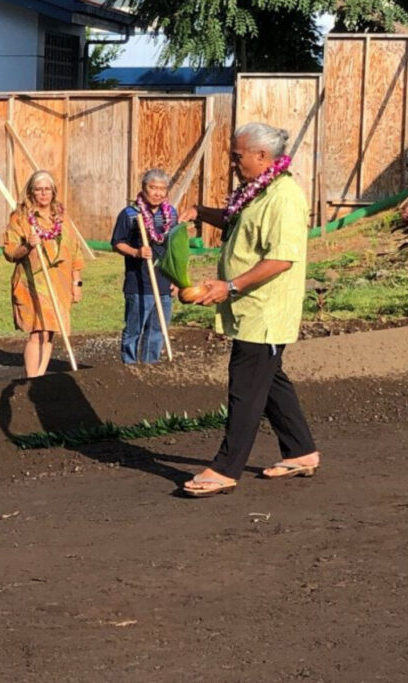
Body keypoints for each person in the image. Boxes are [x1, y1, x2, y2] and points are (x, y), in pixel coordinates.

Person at [177, 122, 320, 497]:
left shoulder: (284, 197)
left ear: (262, 156)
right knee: (269, 381)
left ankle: (226, 468)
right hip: (249, 308)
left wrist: (230, 285)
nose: (234, 163)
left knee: (245, 388)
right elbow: (235, 221)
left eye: (238, 156)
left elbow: (282, 259)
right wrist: (199, 211)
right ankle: (301, 451)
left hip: (266, 311)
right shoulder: (258, 192)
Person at [3, 169, 84, 377]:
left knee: (50, 332)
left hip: (60, 283)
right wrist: (28, 246)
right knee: (38, 330)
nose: (43, 194)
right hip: (33, 282)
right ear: (31, 192)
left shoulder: (62, 217)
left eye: (47, 189)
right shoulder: (20, 218)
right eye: (38, 190)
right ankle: (32, 378)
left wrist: (77, 283)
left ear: (53, 192)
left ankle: (40, 376)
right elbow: (10, 251)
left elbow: (75, 251)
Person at [110, 169, 177, 364]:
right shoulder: (131, 214)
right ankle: (129, 368)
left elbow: (175, 248)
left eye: (162, 189)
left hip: (164, 282)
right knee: (134, 329)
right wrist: (136, 252)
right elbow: (116, 243)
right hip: (138, 284)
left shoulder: (170, 214)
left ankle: (150, 368)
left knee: (157, 330)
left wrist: (176, 279)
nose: (157, 193)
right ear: (143, 188)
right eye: (153, 187)